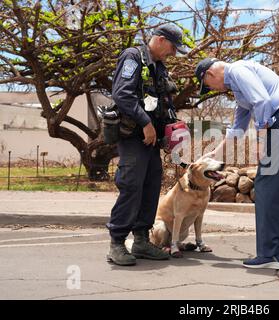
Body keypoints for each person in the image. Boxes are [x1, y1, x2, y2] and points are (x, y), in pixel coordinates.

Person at [195, 58, 279, 269]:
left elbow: (263, 101)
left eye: (208, 86)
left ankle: (270, 255)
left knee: (265, 185)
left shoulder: (237, 70)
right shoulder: (239, 91)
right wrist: (213, 156)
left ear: (209, 74)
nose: (213, 89)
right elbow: (237, 130)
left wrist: (262, 139)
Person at [106, 24, 188, 266]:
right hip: (134, 137)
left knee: (151, 187)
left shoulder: (159, 68)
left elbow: (163, 102)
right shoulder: (133, 57)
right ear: (160, 40)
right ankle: (117, 243)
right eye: (172, 47)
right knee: (131, 187)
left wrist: (171, 128)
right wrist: (145, 123)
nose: (173, 53)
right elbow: (122, 94)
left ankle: (141, 240)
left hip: (152, 141)